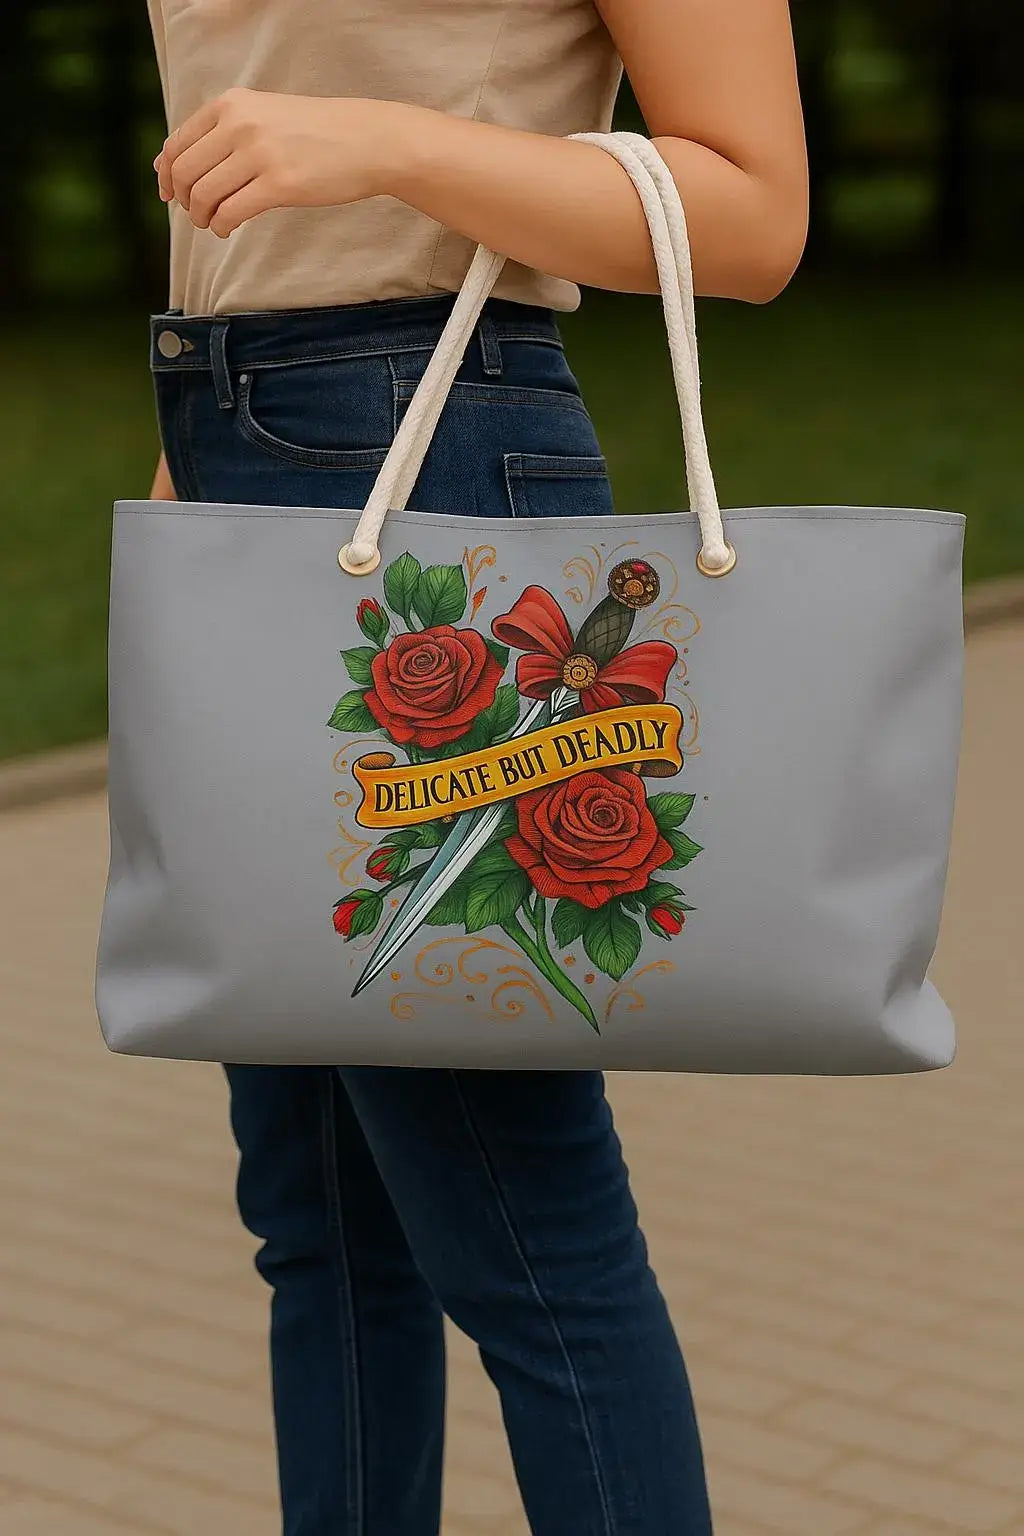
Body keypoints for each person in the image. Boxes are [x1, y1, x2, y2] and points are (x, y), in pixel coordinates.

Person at [145, 2, 808, 1531]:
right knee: (318, 1219)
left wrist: (385, 146)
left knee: (526, 1240)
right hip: (233, 456)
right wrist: (186, 488)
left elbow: (757, 214)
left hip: (428, 451)